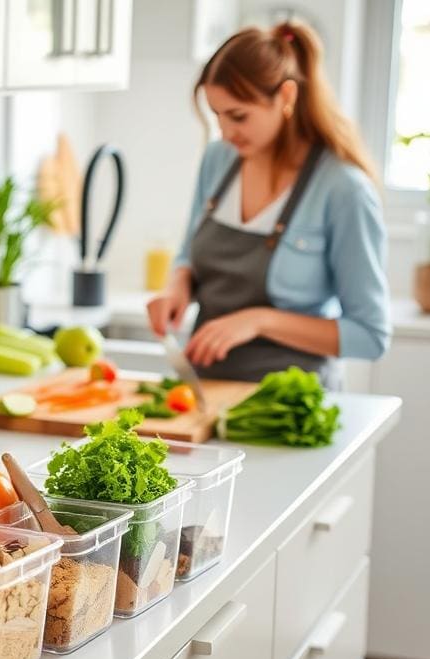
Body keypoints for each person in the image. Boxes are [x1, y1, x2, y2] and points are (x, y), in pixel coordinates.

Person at [147, 20, 391, 388]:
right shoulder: (218, 160)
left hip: (289, 410)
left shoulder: (344, 189)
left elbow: (370, 336)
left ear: (287, 97)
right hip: (208, 392)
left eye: (239, 116)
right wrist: (177, 285)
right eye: (217, 116)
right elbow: (188, 255)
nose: (226, 133)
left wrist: (258, 320)